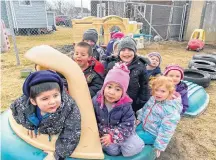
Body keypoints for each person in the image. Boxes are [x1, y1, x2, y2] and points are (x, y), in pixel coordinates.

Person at [10, 70, 81, 160]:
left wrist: (57, 155)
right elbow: (15, 111)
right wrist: (29, 125)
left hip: (55, 136)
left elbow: (72, 132)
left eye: (55, 95)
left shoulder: (69, 107)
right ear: (33, 101)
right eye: (45, 98)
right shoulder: (23, 107)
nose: (52, 102)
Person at [92, 63, 144, 157]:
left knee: (135, 147)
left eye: (118, 89)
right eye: (109, 87)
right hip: (104, 131)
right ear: (104, 87)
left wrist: (113, 136)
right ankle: (116, 146)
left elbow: (128, 124)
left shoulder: (125, 105)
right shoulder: (96, 100)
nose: (112, 92)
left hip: (120, 131)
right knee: (112, 151)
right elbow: (91, 118)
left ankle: (125, 142)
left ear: (123, 92)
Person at [136, 76, 182, 158]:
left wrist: (159, 146)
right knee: (130, 131)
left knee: (133, 138)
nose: (158, 93)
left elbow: (167, 130)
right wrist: (139, 118)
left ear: (170, 92)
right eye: (156, 90)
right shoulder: (153, 98)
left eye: (163, 91)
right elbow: (145, 109)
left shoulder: (171, 111)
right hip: (144, 125)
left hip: (153, 134)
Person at [107, 36, 150, 113]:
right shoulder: (112, 65)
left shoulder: (140, 66)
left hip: (132, 103)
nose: (126, 52)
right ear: (119, 52)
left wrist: (140, 102)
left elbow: (145, 86)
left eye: (130, 50)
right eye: (123, 50)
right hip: (114, 101)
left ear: (135, 52)